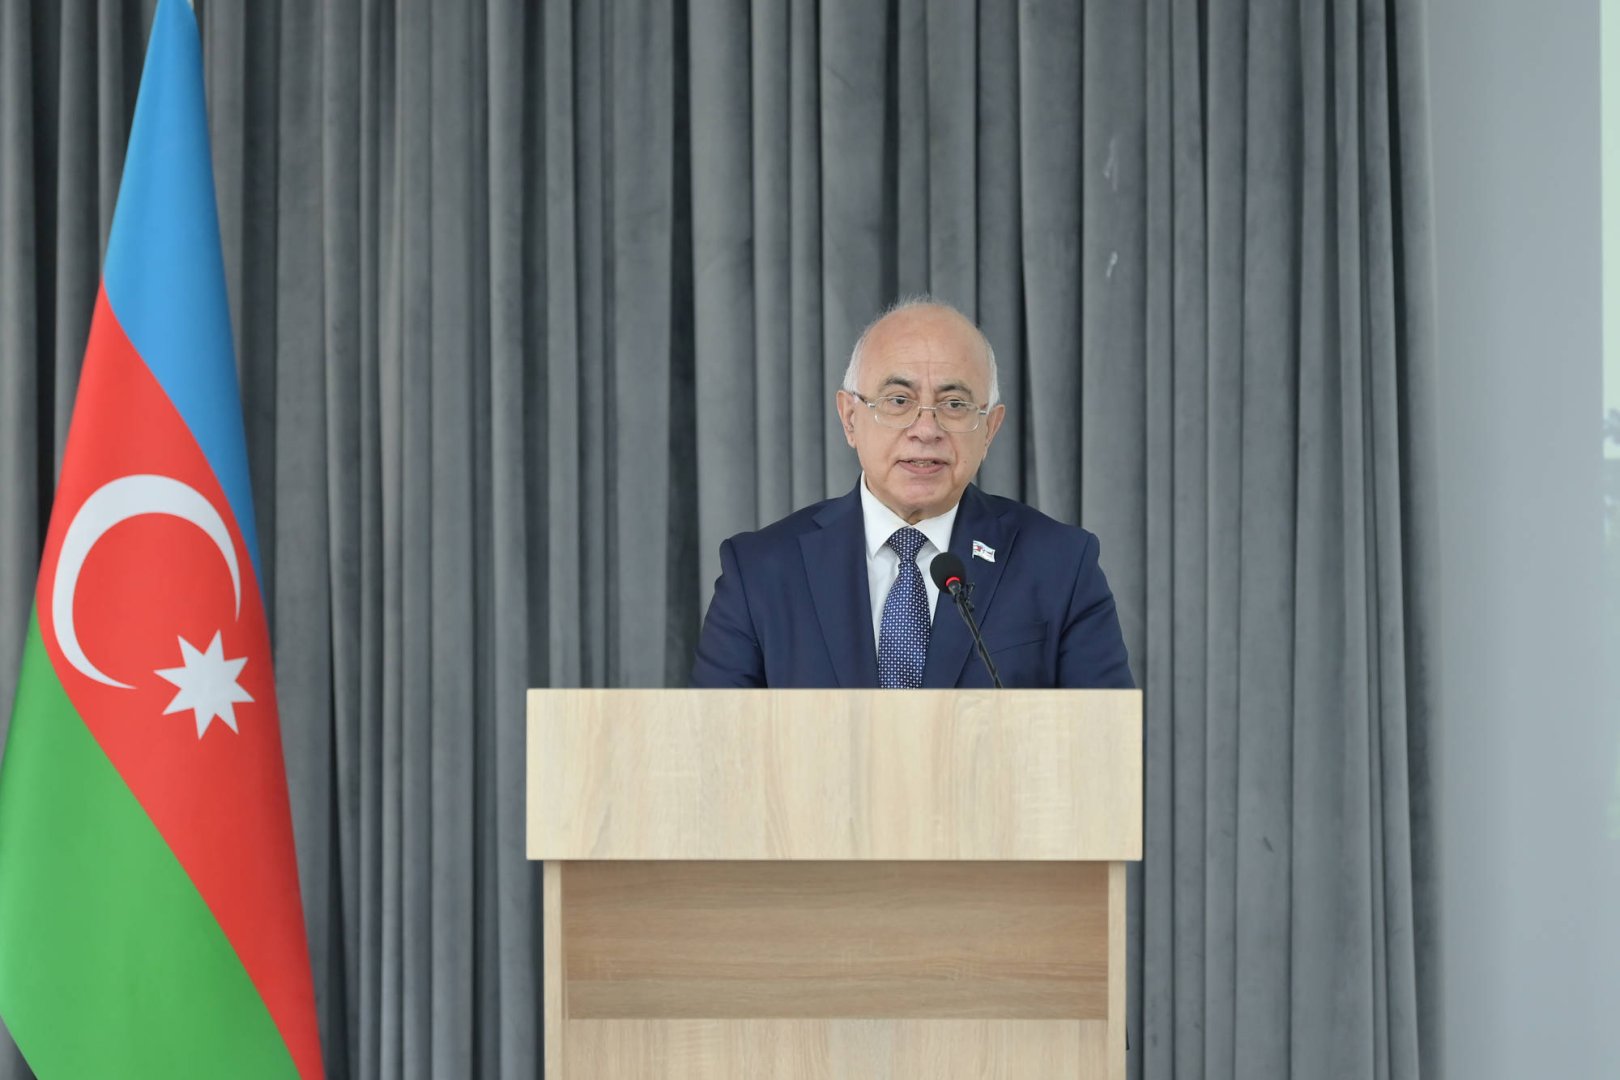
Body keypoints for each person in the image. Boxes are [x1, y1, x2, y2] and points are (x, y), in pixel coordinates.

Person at [690, 298, 1133, 689]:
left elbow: (1104, 746)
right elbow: (715, 746)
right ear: (849, 418)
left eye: (954, 405)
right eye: (898, 400)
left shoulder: (1061, 567)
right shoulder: (760, 573)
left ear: (991, 428)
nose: (926, 430)